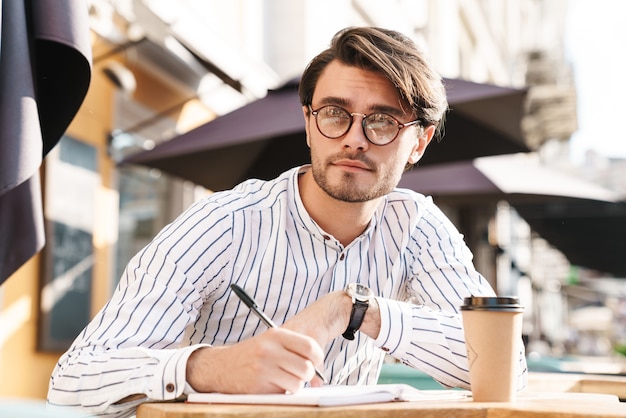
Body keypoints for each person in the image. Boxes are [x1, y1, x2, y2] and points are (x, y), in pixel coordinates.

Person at [48, 26, 527, 417]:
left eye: (382, 121)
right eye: (335, 113)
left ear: (418, 143)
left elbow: (505, 370)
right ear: (308, 122)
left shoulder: (419, 227)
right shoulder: (223, 224)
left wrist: (359, 310)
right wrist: (210, 369)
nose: (354, 139)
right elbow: (74, 379)